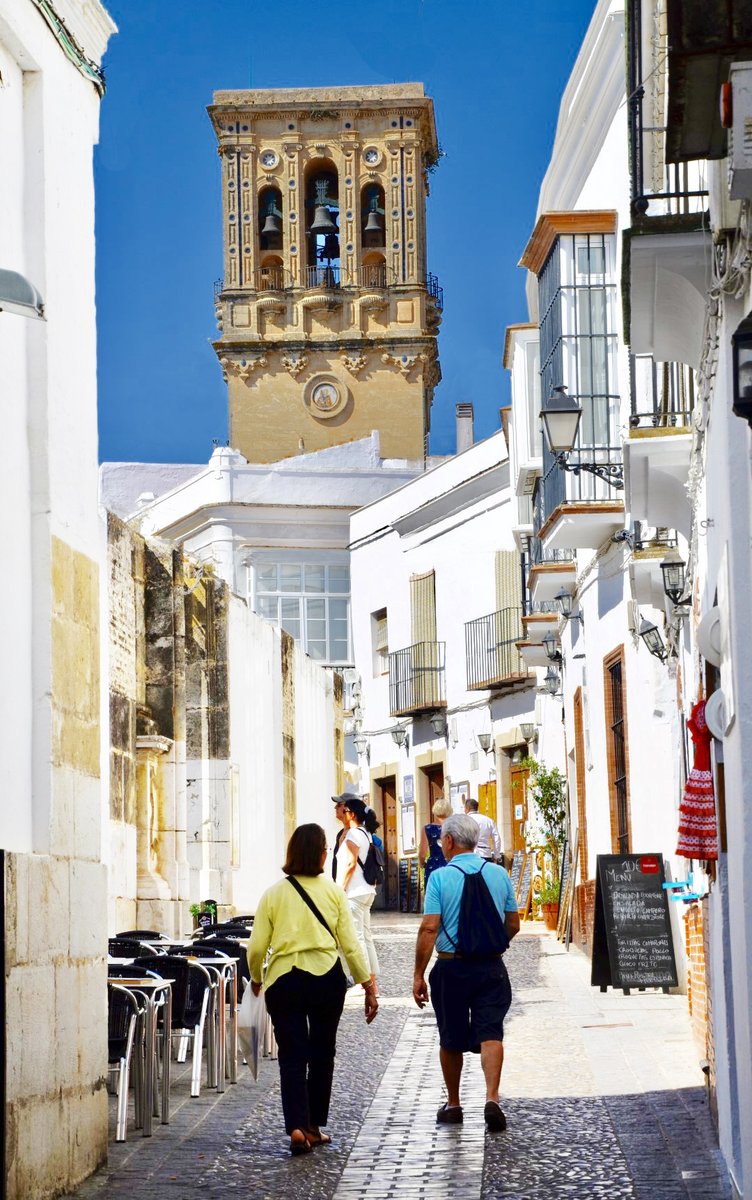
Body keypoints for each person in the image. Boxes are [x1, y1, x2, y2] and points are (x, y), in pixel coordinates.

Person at [248, 823, 378, 1156]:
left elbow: (256, 948)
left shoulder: (273, 893)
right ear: (320, 854)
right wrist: (367, 984)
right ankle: (313, 1127)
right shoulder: (333, 892)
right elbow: (350, 945)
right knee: (322, 1053)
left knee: (291, 1055)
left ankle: (295, 1126)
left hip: (285, 980)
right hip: (325, 979)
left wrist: (257, 978)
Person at [413, 813, 520, 1131]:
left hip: (451, 965)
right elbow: (513, 923)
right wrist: (494, 943)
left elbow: (430, 928)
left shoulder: (440, 878)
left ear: (448, 841)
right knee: (491, 1032)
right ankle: (491, 1098)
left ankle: (455, 1104)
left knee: (451, 1035)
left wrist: (418, 974)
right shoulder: (499, 874)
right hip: (490, 966)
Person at [336, 796, 380, 993]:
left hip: (354, 891)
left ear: (351, 814)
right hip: (367, 890)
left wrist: (340, 889)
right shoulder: (366, 832)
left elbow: (351, 864)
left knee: (358, 936)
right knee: (366, 935)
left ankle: (362, 979)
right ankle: (371, 977)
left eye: (344, 810)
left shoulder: (354, 833)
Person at [419, 796, 453, 891]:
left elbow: (422, 853)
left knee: (433, 897)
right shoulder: (453, 828)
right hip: (451, 865)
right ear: (449, 811)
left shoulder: (427, 829)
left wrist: (422, 864)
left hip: (433, 866)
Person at [464, 796, 502, 862]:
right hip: (486, 854)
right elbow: (496, 838)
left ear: (468, 808)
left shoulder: (464, 820)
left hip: (470, 855)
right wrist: (496, 855)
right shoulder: (488, 820)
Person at [330, 792, 351, 881]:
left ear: (348, 808)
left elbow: (351, 863)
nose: (335, 807)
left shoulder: (356, 832)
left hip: (351, 886)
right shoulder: (340, 833)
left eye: (339, 805)